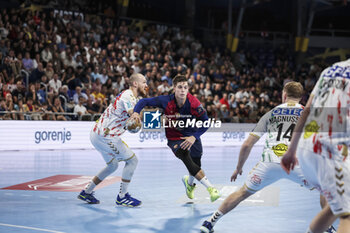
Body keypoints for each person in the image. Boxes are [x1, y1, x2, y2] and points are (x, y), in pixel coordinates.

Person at [200, 82, 316, 233]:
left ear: (284, 95)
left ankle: (210, 222)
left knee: (242, 193)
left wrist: (238, 168)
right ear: (301, 98)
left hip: (269, 164)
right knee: (325, 189)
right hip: (296, 163)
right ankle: (327, 227)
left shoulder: (270, 114)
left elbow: (247, 144)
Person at [281, 60, 350, 233]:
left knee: (335, 206)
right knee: (346, 214)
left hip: (306, 147)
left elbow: (307, 110)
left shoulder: (330, 70)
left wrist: (291, 151)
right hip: (330, 149)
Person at [130, 75, 221, 202]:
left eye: (185, 87)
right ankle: (212, 189)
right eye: (180, 87)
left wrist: (194, 137)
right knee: (185, 156)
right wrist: (135, 112)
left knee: (196, 165)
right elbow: (143, 102)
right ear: (174, 88)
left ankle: (189, 184)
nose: (183, 90)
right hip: (174, 138)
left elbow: (206, 122)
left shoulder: (194, 103)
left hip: (191, 135)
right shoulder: (165, 100)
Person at [78, 73, 148, 207]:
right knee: (132, 161)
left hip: (97, 133)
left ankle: (86, 192)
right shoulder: (128, 95)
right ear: (135, 84)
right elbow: (132, 114)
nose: (146, 85)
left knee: (113, 165)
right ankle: (122, 197)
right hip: (106, 136)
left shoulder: (131, 97)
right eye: (144, 82)